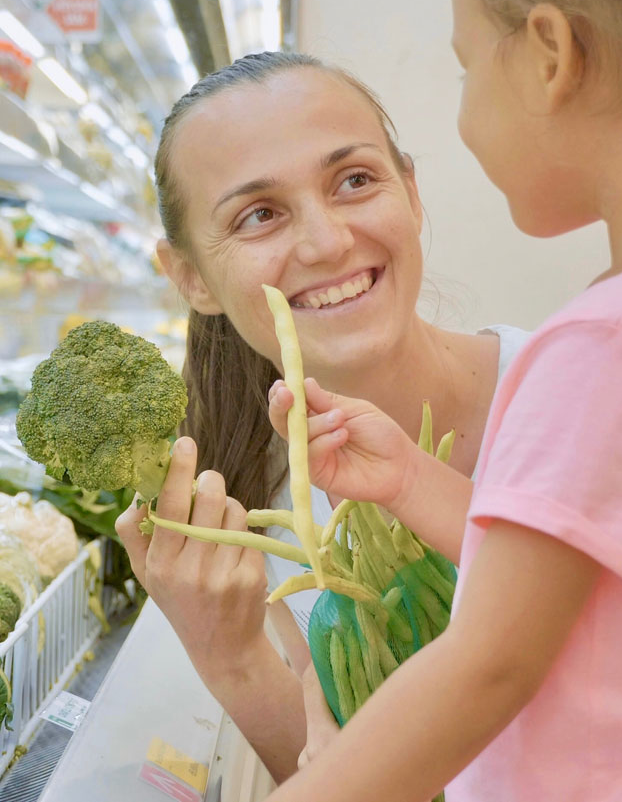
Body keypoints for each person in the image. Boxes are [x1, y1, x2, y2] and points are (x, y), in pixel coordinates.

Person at [263, 0, 622, 799]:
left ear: (549, 55)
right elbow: (585, 579)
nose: (461, 116)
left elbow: (488, 664)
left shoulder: (616, 344)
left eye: (466, 65)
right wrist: (415, 480)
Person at [114, 51, 530, 782]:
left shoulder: (566, 397)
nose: (327, 241)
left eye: (355, 180)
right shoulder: (253, 503)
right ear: (189, 277)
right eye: (259, 215)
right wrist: (234, 658)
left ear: (411, 189)